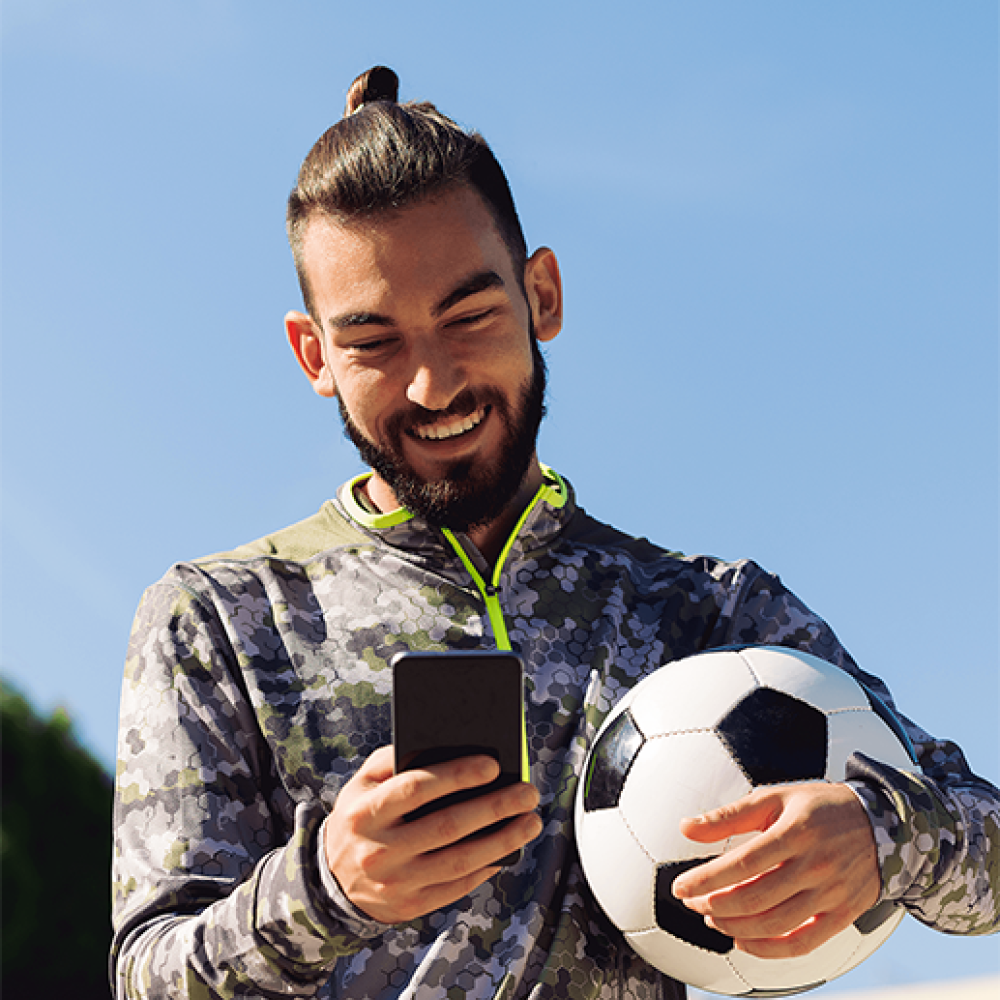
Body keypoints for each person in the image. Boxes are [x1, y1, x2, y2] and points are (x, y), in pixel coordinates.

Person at [111, 66, 998, 999]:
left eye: (469, 315)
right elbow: (147, 977)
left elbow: (981, 833)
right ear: (313, 355)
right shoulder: (217, 621)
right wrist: (328, 891)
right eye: (374, 343)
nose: (433, 384)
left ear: (543, 296)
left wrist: (885, 839)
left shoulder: (703, 612)